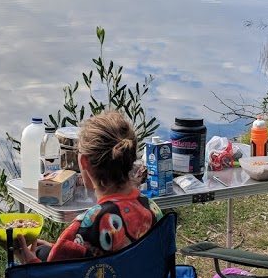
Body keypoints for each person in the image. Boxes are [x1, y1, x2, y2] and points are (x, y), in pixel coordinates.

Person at [14, 111, 162, 264]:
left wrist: (28, 262)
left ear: (84, 162)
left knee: (39, 254)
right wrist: (58, 248)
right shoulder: (152, 209)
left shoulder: (84, 228)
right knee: (43, 251)